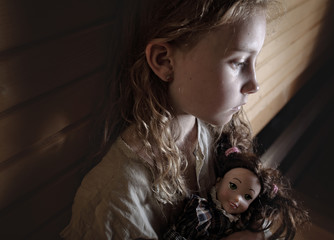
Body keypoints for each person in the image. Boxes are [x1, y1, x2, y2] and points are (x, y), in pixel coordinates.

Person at [61, 0, 282, 239]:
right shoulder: (120, 194)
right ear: (164, 61)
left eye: (254, 61)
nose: (254, 85)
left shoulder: (213, 130)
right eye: (238, 63)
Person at [163, 135, 309, 240]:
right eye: (233, 185)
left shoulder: (242, 218)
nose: (238, 198)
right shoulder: (201, 214)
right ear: (219, 182)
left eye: (247, 197)